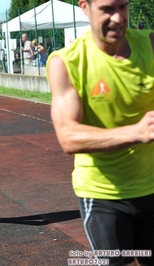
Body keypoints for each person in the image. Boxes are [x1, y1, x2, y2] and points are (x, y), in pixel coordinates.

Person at [46, 0, 154, 265]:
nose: (118, 18)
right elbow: (68, 137)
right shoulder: (66, 62)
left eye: (123, 7)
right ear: (85, 7)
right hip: (103, 196)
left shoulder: (150, 45)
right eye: (107, 9)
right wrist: (136, 132)